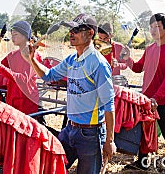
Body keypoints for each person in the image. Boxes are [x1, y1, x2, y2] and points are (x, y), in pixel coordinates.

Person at [23, 13, 116, 174]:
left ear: (90, 33)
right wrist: (32, 59)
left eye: (77, 29)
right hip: (69, 129)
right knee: (52, 168)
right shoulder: (72, 59)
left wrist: (110, 140)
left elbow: (109, 104)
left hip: (90, 134)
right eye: (71, 29)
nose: (72, 33)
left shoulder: (99, 64)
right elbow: (49, 76)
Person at [121, 13, 165, 173]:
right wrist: (128, 59)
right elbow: (138, 68)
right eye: (151, 27)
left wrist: (156, 98)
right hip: (147, 100)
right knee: (144, 132)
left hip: (163, 101)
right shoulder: (150, 48)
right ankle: (142, 163)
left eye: (157, 27)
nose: (153, 30)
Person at [0, 20, 42, 115]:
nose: (12, 37)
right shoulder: (12, 55)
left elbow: (24, 79)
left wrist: (1, 67)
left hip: (27, 101)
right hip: (12, 98)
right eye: (12, 34)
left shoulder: (34, 55)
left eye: (15, 34)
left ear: (25, 36)